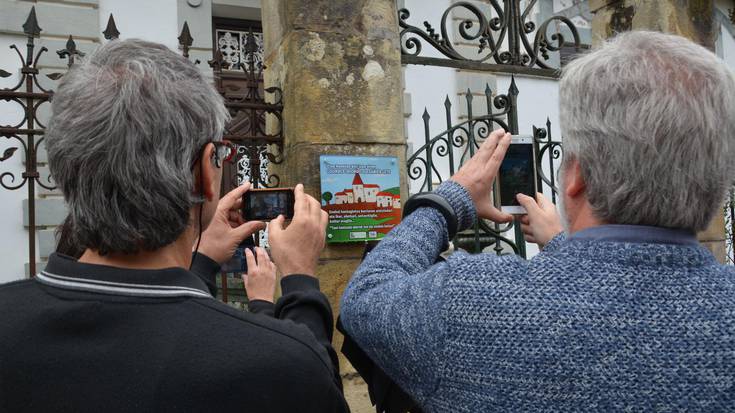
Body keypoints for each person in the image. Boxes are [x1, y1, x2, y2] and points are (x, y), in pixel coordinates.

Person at [340, 31, 735, 411]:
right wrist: (561, 245)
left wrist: (448, 199)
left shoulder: (471, 302)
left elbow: (366, 298)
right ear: (718, 180)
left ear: (577, 175)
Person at [0, 39, 348, 413]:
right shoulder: (274, 363)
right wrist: (299, 278)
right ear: (205, 174)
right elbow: (314, 382)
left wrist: (202, 260)